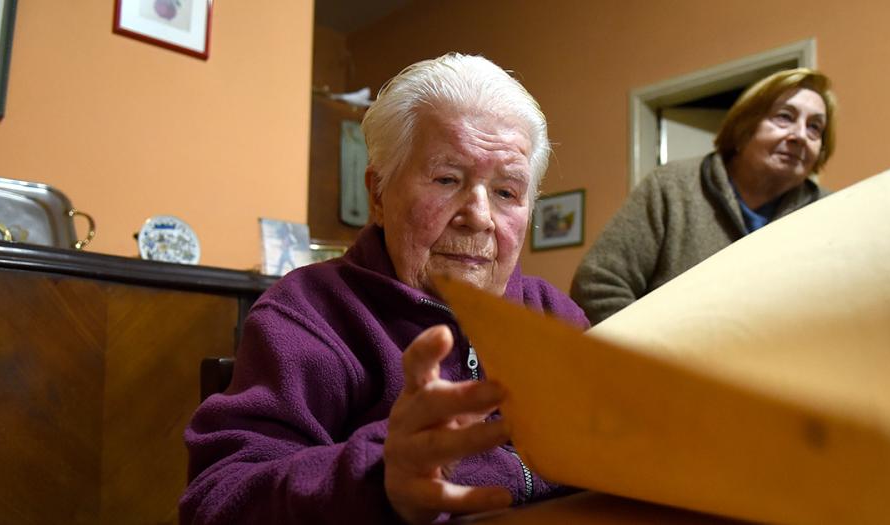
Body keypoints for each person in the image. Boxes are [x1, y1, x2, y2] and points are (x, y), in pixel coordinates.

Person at [179, 53, 588, 525]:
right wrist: (379, 476)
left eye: (506, 192)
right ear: (378, 193)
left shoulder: (552, 314)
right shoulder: (308, 314)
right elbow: (216, 497)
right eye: (448, 179)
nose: (478, 215)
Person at [570, 68, 836, 325]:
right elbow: (597, 283)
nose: (800, 135)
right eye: (785, 117)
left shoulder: (830, 213)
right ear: (745, 127)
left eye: (815, 127)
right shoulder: (673, 186)